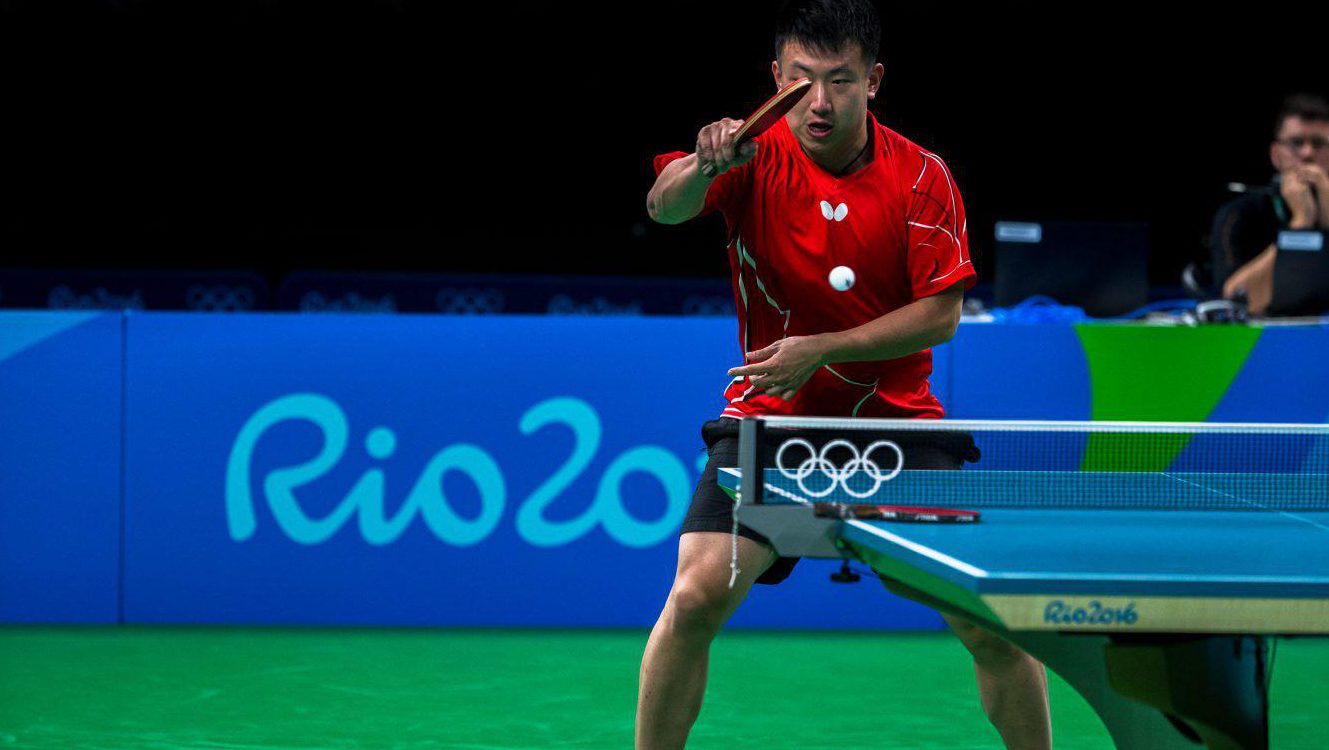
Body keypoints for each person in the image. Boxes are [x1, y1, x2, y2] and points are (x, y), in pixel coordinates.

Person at [638, 1, 1051, 748]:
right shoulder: (752, 155)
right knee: (694, 597)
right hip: (770, 423)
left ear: (873, 80)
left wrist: (822, 348)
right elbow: (664, 209)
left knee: (988, 622)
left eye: (840, 81)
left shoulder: (921, 175)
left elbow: (941, 315)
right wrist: (705, 163)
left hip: (897, 426)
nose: (820, 103)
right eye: (801, 82)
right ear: (776, 79)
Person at [1212, 93, 1329, 315]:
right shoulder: (1240, 214)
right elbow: (1234, 302)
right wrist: (1299, 226)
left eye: (1319, 144)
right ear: (1276, 155)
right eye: (1296, 143)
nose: (1307, 154)